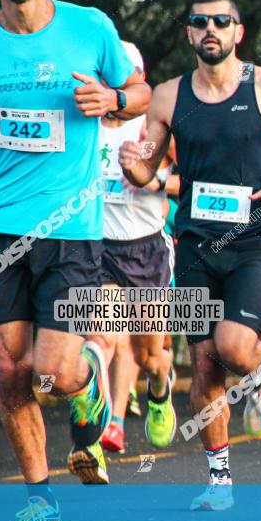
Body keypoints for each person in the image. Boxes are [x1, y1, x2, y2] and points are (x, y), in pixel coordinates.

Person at [119, 0, 261, 510]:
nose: (211, 29)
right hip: (196, 245)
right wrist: (132, 162)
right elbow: (147, 169)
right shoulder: (167, 96)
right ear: (189, 32)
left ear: (238, 32)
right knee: (203, 369)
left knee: (232, 346)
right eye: (200, 21)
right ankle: (220, 482)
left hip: (253, 241)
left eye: (222, 21)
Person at [0, 0, 151, 521]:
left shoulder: (89, 29)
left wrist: (114, 96)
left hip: (71, 231)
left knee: (52, 374)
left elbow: (139, 93)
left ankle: (89, 380)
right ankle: (42, 506)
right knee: (10, 374)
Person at [88, 41, 176, 458]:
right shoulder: (83, 127)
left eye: (126, 76)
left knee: (149, 353)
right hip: (99, 250)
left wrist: (152, 178)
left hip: (148, 251)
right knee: (105, 336)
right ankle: (105, 426)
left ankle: (159, 389)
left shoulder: (153, 129)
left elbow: (190, 182)